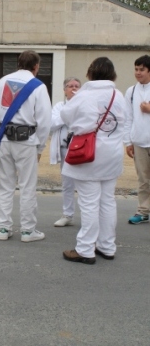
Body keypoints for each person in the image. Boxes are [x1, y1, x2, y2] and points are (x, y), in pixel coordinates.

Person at [60, 57, 126, 264]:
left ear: (90, 73)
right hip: (113, 153)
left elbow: (66, 116)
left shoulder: (84, 95)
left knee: (89, 202)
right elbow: (124, 121)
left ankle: (85, 249)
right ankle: (107, 246)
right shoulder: (118, 95)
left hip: (88, 154)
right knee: (107, 201)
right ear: (112, 74)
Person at [0, 50, 52, 242]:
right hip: (26, 141)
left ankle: (4, 228)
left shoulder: (2, 82)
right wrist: (40, 147)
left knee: (5, 186)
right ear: (36, 66)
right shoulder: (38, 86)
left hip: (4, 139)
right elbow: (45, 120)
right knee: (27, 186)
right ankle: (27, 230)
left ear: (18, 63)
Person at [50, 77, 81, 227]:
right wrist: (68, 114)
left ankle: (90, 216)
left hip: (82, 150)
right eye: (70, 86)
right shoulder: (59, 106)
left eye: (76, 86)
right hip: (64, 149)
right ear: (64, 90)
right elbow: (53, 123)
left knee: (84, 184)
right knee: (67, 184)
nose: (73, 88)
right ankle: (67, 215)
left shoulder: (84, 105)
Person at [124, 55, 150, 224]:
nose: (138, 73)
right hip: (140, 142)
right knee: (143, 180)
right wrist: (128, 142)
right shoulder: (131, 91)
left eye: (142, 69)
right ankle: (143, 211)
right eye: (136, 69)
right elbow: (128, 118)